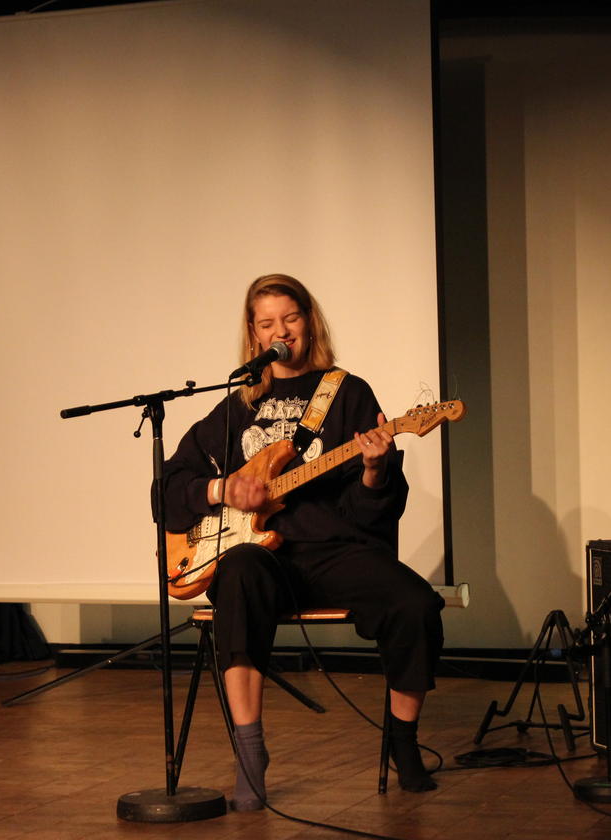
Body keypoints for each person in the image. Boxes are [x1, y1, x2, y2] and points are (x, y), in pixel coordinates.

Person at [162, 274, 445, 810]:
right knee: (239, 572)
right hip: (264, 560)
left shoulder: (347, 393)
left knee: (415, 605)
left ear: (309, 323)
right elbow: (167, 491)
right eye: (267, 322)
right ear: (253, 333)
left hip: (335, 552)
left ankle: (403, 743)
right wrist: (222, 489)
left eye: (290, 318)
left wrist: (374, 470)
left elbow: (375, 512)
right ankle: (251, 754)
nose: (281, 331)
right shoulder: (236, 408)